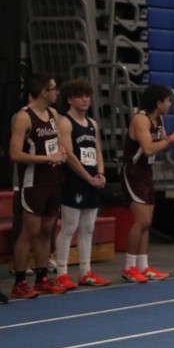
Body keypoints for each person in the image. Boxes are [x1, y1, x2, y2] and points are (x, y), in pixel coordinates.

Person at [121, 85, 174, 282]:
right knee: (142, 220)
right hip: (133, 171)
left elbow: (164, 144)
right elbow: (149, 149)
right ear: (158, 103)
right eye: (167, 101)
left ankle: (143, 266)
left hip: (146, 171)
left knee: (147, 222)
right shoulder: (141, 119)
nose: (169, 105)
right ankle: (129, 266)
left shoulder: (158, 120)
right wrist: (172, 137)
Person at [9, 74, 67, 298]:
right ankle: (20, 281)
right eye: (54, 88)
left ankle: (42, 277)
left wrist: (61, 154)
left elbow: (57, 144)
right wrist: (46, 159)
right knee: (29, 231)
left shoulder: (52, 113)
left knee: (46, 230)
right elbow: (15, 154)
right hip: (34, 182)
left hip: (54, 179)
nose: (57, 92)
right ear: (44, 92)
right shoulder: (24, 117)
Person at [53, 79, 111, 289]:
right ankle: (61, 272)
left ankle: (85, 272)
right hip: (74, 180)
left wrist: (101, 173)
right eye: (79, 96)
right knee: (69, 227)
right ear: (70, 100)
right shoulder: (65, 122)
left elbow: (97, 151)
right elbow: (68, 155)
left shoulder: (92, 123)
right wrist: (88, 177)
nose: (85, 100)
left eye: (87, 96)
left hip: (92, 179)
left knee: (88, 228)